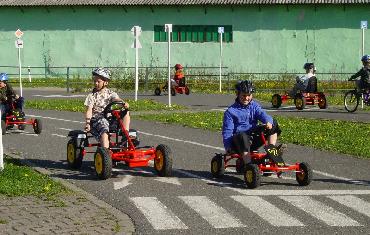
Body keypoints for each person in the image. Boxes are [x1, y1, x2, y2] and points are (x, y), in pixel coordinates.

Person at [222, 80, 285, 168]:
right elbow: (227, 131)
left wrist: (268, 121)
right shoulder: (231, 112)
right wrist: (228, 147)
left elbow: (262, 114)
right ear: (238, 94)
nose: (246, 98)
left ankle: (271, 151)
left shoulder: (254, 106)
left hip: (252, 139)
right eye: (244, 95)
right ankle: (249, 165)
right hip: (238, 142)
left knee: (273, 122)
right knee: (242, 136)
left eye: (249, 95)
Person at [84, 67, 130, 149]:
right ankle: (105, 152)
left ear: (105, 83)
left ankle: (125, 135)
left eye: (98, 81)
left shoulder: (110, 93)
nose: (96, 83)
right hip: (97, 120)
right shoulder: (92, 96)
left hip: (109, 118)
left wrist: (123, 103)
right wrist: (87, 123)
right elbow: (89, 110)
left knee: (125, 112)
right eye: (95, 81)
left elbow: (116, 99)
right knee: (104, 127)